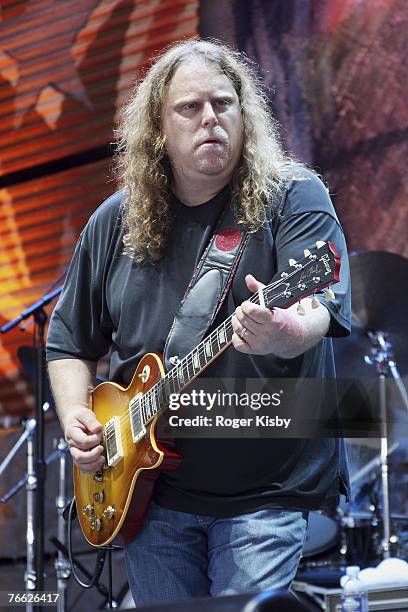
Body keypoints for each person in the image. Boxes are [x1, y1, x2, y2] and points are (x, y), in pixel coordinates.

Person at [46, 38, 351, 604]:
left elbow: (318, 310)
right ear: (159, 128)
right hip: (150, 490)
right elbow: (68, 343)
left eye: (223, 103)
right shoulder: (115, 221)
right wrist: (76, 419)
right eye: (190, 107)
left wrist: (283, 332)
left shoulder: (291, 196)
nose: (210, 117)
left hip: (265, 488)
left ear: (244, 114)